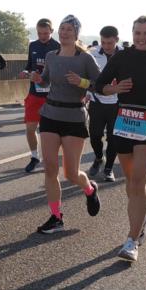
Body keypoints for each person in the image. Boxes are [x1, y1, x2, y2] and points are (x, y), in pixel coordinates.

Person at [93, 16, 146, 262]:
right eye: (137, 33)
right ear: (132, 34)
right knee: (131, 184)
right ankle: (142, 219)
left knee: (139, 182)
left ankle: (132, 240)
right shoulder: (122, 57)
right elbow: (99, 85)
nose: (141, 37)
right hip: (124, 122)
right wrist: (114, 89)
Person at [32, 15, 102, 234]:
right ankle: (56, 217)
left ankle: (89, 189)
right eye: (61, 29)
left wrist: (81, 82)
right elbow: (45, 79)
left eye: (69, 29)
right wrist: (38, 78)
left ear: (76, 34)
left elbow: (101, 84)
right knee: (50, 168)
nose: (64, 33)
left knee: (70, 173)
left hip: (73, 117)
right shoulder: (51, 55)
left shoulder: (85, 58)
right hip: (51, 114)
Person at [19, 19, 60, 173]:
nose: (42, 36)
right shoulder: (33, 45)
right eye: (39, 33)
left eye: (45, 33)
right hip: (34, 93)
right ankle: (35, 156)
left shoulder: (58, 47)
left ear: (51, 31)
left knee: (48, 132)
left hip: (52, 96)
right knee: (30, 128)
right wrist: (25, 71)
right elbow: (30, 65)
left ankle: (50, 158)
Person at [87, 25, 121, 182]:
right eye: (104, 42)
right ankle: (99, 157)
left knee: (113, 138)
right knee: (94, 135)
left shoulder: (125, 55)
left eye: (110, 43)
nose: (106, 46)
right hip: (97, 101)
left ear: (117, 40)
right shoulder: (92, 53)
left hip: (117, 103)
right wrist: (87, 94)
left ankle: (109, 169)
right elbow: (87, 76)